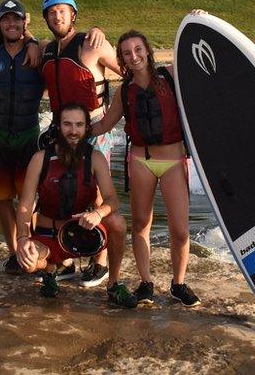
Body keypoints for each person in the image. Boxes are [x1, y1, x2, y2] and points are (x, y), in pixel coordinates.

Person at [92, 30, 201, 307]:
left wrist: (198, 22)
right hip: (141, 162)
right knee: (140, 225)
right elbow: (105, 125)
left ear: (148, 50)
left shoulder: (169, 76)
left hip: (174, 162)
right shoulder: (125, 91)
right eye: (127, 53)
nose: (134, 56)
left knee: (180, 230)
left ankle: (178, 284)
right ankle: (146, 282)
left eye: (138, 49)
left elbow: (196, 63)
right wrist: (71, 133)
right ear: (122, 59)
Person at [15, 102, 137, 308]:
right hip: (49, 235)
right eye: (67, 124)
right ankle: (49, 270)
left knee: (117, 222)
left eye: (79, 125)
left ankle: (114, 284)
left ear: (87, 128)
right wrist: (21, 238)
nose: (73, 131)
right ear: (58, 127)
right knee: (28, 262)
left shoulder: (96, 158)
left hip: (82, 235)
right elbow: (25, 205)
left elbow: (112, 199)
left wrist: (98, 214)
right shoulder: (40, 159)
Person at [39, 0, 121, 288]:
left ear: (73, 15)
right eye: (51, 12)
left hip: (94, 128)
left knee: (98, 194)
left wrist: (109, 118)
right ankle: (68, 257)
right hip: (63, 131)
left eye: (63, 11)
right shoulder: (46, 49)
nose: (57, 16)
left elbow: (131, 74)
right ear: (46, 18)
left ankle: (99, 262)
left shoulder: (92, 43)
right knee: (64, 194)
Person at [0, 0, 44, 275]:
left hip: (27, 135)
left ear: (25, 22)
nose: (12, 24)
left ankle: (30, 249)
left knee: (29, 198)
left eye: (16, 19)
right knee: (3, 197)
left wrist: (33, 42)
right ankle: (13, 252)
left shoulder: (38, 53)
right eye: (6, 20)